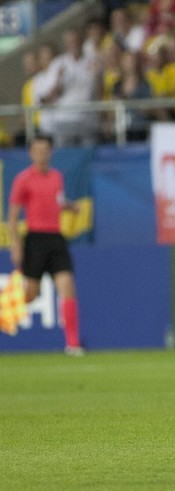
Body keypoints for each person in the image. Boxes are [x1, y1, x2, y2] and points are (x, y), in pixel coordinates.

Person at [7, 135, 84, 356]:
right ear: (31, 154)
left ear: (50, 152)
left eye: (45, 150)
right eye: (37, 151)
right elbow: (12, 215)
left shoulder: (57, 177)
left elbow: (57, 202)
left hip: (56, 239)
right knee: (31, 294)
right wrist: (16, 245)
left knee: (67, 287)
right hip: (35, 240)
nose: (41, 155)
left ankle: (72, 344)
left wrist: (70, 207)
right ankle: (5, 307)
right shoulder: (23, 179)